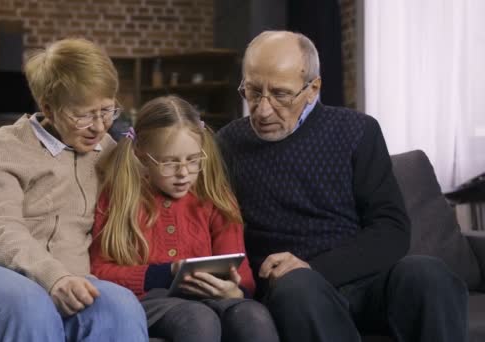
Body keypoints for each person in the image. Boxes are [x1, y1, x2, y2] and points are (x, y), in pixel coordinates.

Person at [217, 31, 468, 342]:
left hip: (366, 282)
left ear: (313, 89)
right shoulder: (228, 143)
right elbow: (216, 230)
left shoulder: (358, 131)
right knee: (297, 285)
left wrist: (313, 266)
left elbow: (392, 231)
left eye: (280, 94)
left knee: (428, 274)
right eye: (253, 92)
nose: (263, 109)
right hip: (293, 291)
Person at [0, 38, 148, 342]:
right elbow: (0, 228)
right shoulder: (6, 146)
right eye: (83, 115)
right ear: (48, 107)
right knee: (29, 305)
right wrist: (53, 277)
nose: (99, 127)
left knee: (122, 307)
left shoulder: (108, 152)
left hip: (69, 282)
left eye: (107, 110)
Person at [89, 95, 279, 342]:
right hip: (148, 303)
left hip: (209, 298)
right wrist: (165, 273)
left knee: (253, 316)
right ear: (142, 155)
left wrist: (235, 290)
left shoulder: (215, 197)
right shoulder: (119, 196)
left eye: (192, 160)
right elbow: (99, 271)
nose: (183, 174)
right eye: (169, 163)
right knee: (198, 319)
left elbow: (240, 271)